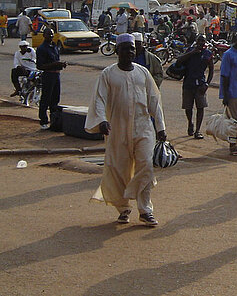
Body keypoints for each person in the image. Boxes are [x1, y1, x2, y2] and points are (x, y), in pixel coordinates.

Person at [86, 33, 166, 227]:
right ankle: (123, 208)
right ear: (117, 51)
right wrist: (102, 121)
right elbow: (99, 99)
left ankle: (145, 210)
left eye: (132, 48)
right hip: (117, 129)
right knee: (118, 170)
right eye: (125, 48)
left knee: (146, 165)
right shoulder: (108, 74)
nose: (129, 52)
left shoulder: (142, 73)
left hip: (144, 127)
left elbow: (154, 99)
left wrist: (161, 127)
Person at [177, 35, 214, 139]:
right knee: (188, 107)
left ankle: (197, 130)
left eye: (203, 41)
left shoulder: (208, 54)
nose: (201, 43)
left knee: (200, 107)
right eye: (199, 41)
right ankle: (190, 123)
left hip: (200, 85)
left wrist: (207, 83)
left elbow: (211, 69)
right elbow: (179, 61)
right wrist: (192, 53)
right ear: (196, 41)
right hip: (188, 83)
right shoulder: (190, 50)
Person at [36, 28, 67, 130]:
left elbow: (56, 59)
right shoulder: (42, 48)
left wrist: (60, 65)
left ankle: (54, 121)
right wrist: (55, 64)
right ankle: (43, 121)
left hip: (56, 75)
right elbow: (40, 66)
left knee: (55, 98)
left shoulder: (54, 46)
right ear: (44, 35)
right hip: (48, 75)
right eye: (49, 34)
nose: (51, 36)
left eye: (52, 35)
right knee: (46, 98)